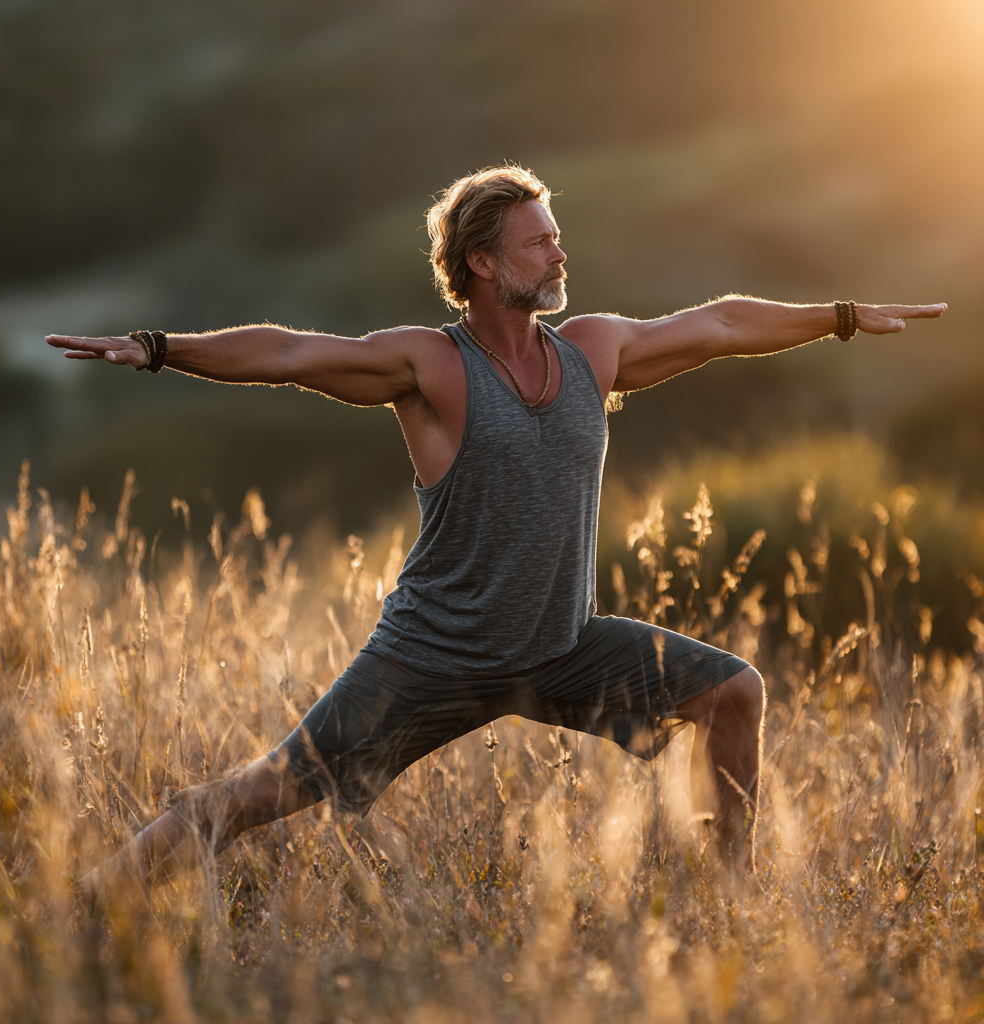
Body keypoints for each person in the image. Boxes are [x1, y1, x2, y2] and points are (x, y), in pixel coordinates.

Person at [47, 165, 945, 900]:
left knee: (733, 693)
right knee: (267, 791)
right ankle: (90, 902)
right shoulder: (431, 364)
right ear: (482, 262)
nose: (560, 251)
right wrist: (159, 347)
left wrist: (839, 318)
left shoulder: (594, 349)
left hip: (561, 647)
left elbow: (718, 325)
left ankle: (729, 896)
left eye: (556, 234)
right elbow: (288, 353)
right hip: (432, 656)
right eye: (539, 241)